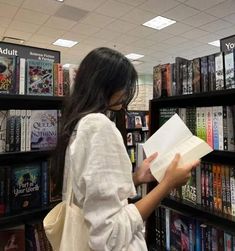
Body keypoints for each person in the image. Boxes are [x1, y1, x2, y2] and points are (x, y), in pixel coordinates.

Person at [52, 47, 199, 250]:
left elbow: (92, 193)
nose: (125, 94)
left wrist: (136, 177)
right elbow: (110, 235)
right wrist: (167, 184)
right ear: (105, 85)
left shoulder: (80, 123)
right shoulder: (98, 126)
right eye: (122, 86)